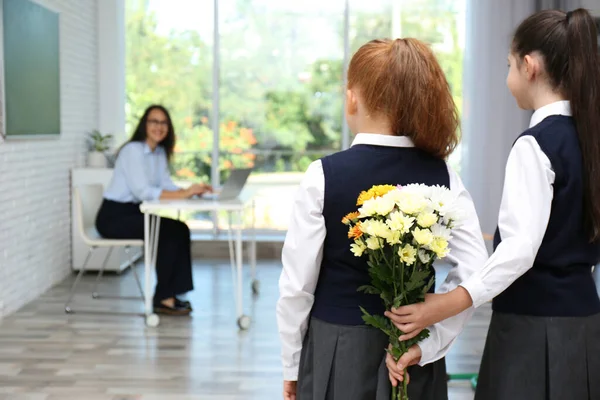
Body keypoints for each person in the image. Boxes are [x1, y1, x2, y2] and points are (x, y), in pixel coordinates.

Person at [386, 9, 600, 400]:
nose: (508, 78)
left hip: (531, 327)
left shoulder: (536, 144)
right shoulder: (590, 139)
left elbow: (519, 251)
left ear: (530, 66)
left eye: (509, 66)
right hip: (585, 323)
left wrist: (452, 301)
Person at [276, 38, 488, 400]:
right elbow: (476, 272)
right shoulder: (444, 176)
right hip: (412, 351)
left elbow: (297, 288)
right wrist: (431, 343)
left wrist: (290, 365)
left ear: (354, 97)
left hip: (338, 350)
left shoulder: (323, 175)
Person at [96, 105, 211, 316]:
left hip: (133, 213)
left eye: (163, 122)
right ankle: (163, 298)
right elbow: (143, 192)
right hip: (114, 217)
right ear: (144, 125)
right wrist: (183, 194)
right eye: (154, 121)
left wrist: (191, 191)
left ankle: (175, 292)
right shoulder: (133, 150)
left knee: (179, 228)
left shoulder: (158, 153)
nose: (159, 127)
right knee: (165, 232)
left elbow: (166, 185)